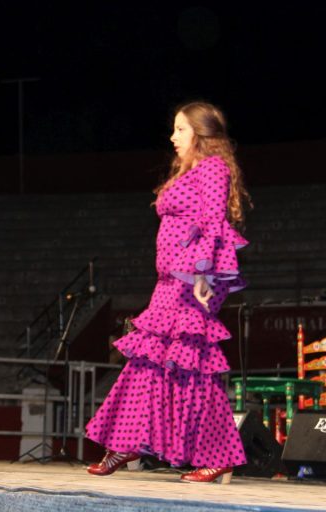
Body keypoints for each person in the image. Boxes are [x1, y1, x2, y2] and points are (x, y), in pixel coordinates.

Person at [85, 102, 252, 484]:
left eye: (180, 129)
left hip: (191, 281)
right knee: (147, 360)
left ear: (201, 134)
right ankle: (127, 442)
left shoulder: (212, 168)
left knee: (192, 366)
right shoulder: (189, 170)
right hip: (169, 282)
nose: (173, 136)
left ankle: (218, 453)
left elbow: (213, 222)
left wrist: (204, 275)